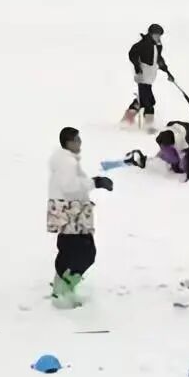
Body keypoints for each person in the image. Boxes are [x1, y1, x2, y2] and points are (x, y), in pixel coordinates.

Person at [46, 127, 115, 307]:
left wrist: (93, 183)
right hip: (70, 211)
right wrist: (95, 182)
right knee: (85, 253)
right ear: (69, 142)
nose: (80, 143)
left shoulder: (63, 160)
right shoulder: (67, 162)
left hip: (66, 210)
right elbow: (70, 186)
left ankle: (61, 286)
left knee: (68, 250)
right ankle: (63, 290)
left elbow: (70, 185)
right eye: (77, 139)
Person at [123, 25, 169, 130]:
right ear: (151, 34)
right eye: (157, 35)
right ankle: (149, 126)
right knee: (149, 102)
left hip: (150, 77)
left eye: (160, 35)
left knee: (142, 100)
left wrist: (165, 69)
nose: (159, 37)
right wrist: (137, 67)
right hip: (143, 77)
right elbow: (132, 54)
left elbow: (158, 58)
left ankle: (127, 120)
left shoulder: (157, 45)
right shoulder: (143, 44)